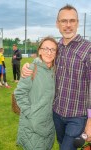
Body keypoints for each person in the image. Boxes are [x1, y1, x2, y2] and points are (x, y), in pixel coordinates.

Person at [21, 4, 91, 150]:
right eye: (63, 21)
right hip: (56, 114)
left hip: (77, 117)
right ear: (57, 24)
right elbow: (43, 63)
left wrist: (90, 121)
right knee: (60, 145)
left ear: (78, 23)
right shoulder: (56, 48)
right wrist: (27, 67)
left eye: (72, 21)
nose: (68, 25)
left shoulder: (88, 49)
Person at [14, 37, 58, 150]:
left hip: (49, 125)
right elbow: (19, 93)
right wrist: (31, 114)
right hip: (32, 126)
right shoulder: (31, 69)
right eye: (46, 49)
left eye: (53, 49)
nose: (49, 52)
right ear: (39, 51)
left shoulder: (56, 70)